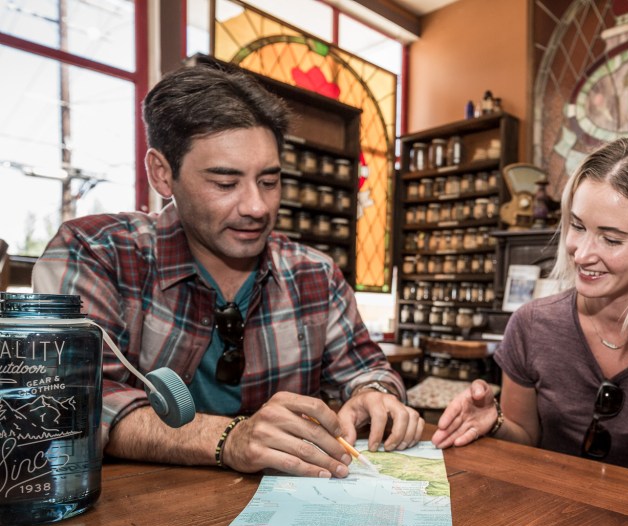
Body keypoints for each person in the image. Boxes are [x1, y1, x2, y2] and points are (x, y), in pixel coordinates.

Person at [32, 61, 423, 479]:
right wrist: (229, 438)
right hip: (138, 525)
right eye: (225, 183)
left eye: (269, 182)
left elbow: (369, 369)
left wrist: (374, 394)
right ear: (162, 174)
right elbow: (66, 405)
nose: (257, 207)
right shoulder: (97, 252)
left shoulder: (316, 275)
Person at [432, 135, 628, 474]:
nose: (581, 254)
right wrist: (494, 423)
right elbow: (525, 440)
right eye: (578, 226)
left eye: (611, 239)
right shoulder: (531, 325)